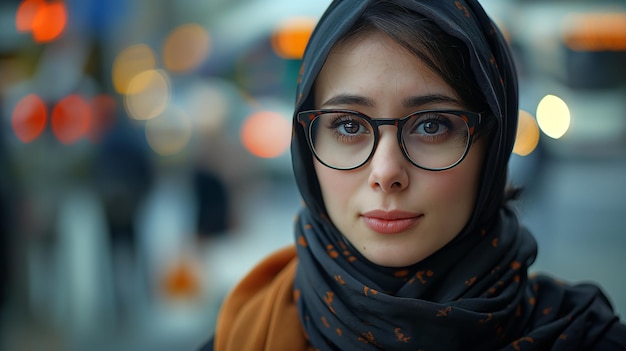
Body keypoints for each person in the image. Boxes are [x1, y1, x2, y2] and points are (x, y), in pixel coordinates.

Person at [199, 0, 626, 350]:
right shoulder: (246, 334)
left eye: (432, 125)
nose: (386, 173)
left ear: (491, 144)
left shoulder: (582, 336)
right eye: (348, 125)